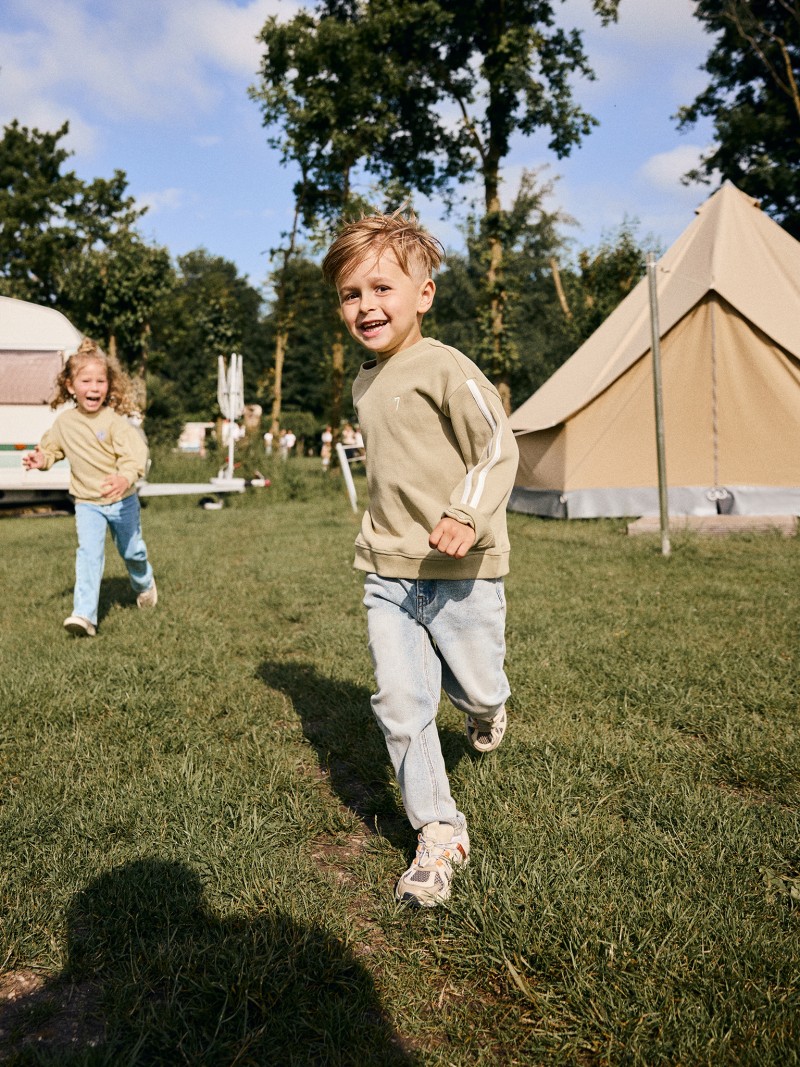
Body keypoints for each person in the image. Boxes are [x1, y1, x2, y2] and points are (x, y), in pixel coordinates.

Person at [321, 211, 519, 908]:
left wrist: (465, 513)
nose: (366, 306)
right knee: (401, 704)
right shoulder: (364, 384)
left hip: (463, 573)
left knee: (478, 685)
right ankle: (439, 830)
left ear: (424, 294)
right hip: (390, 573)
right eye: (351, 294)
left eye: (381, 287)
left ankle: (488, 707)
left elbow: (497, 447)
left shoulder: (446, 366)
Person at [23, 338, 157, 637]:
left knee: (132, 551)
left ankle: (144, 582)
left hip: (122, 501)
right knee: (89, 555)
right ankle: (84, 616)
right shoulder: (64, 423)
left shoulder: (115, 422)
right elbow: (52, 450)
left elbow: (135, 455)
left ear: (109, 386)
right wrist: (40, 458)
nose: (94, 387)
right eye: (86, 381)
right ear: (71, 386)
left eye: (100, 381)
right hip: (87, 503)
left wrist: (124, 477)